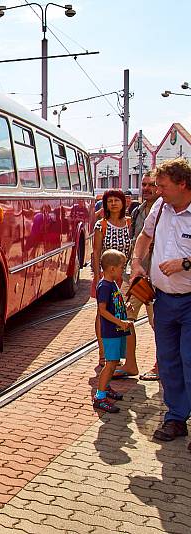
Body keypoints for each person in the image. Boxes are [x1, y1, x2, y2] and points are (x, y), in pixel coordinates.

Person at [131, 158, 191, 444]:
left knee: (190, 360)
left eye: (163, 186)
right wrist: (136, 263)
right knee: (168, 362)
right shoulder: (160, 207)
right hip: (164, 300)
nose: (158, 191)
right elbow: (145, 236)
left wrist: (185, 263)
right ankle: (176, 418)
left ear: (182, 184)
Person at [92, 189, 137, 375]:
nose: (113, 204)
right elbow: (96, 252)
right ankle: (103, 352)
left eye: (116, 200)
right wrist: (97, 275)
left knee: (122, 313)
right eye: (109, 201)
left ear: (123, 203)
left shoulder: (130, 223)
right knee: (102, 313)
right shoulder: (100, 225)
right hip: (107, 276)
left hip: (124, 275)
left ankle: (119, 355)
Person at [93, 249, 134, 413]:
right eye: (121, 267)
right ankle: (100, 396)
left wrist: (125, 307)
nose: (123, 270)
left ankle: (106, 387)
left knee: (114, 361)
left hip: (116, 330)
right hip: (110, 331)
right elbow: (102, 310)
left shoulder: (113, 284)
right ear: (112, 269)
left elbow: (114, 304)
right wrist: (120, 322)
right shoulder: (104, 286)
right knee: (110, 364)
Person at [129, 172, 159, 381]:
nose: (146, 188)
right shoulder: (138, 210)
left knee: (158, 325)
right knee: (125, 319)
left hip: (158, 279)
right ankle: (130, 363)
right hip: (138, 278)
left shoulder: (165, 211)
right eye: (144, 184)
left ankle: (159, 365)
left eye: (151, 185)